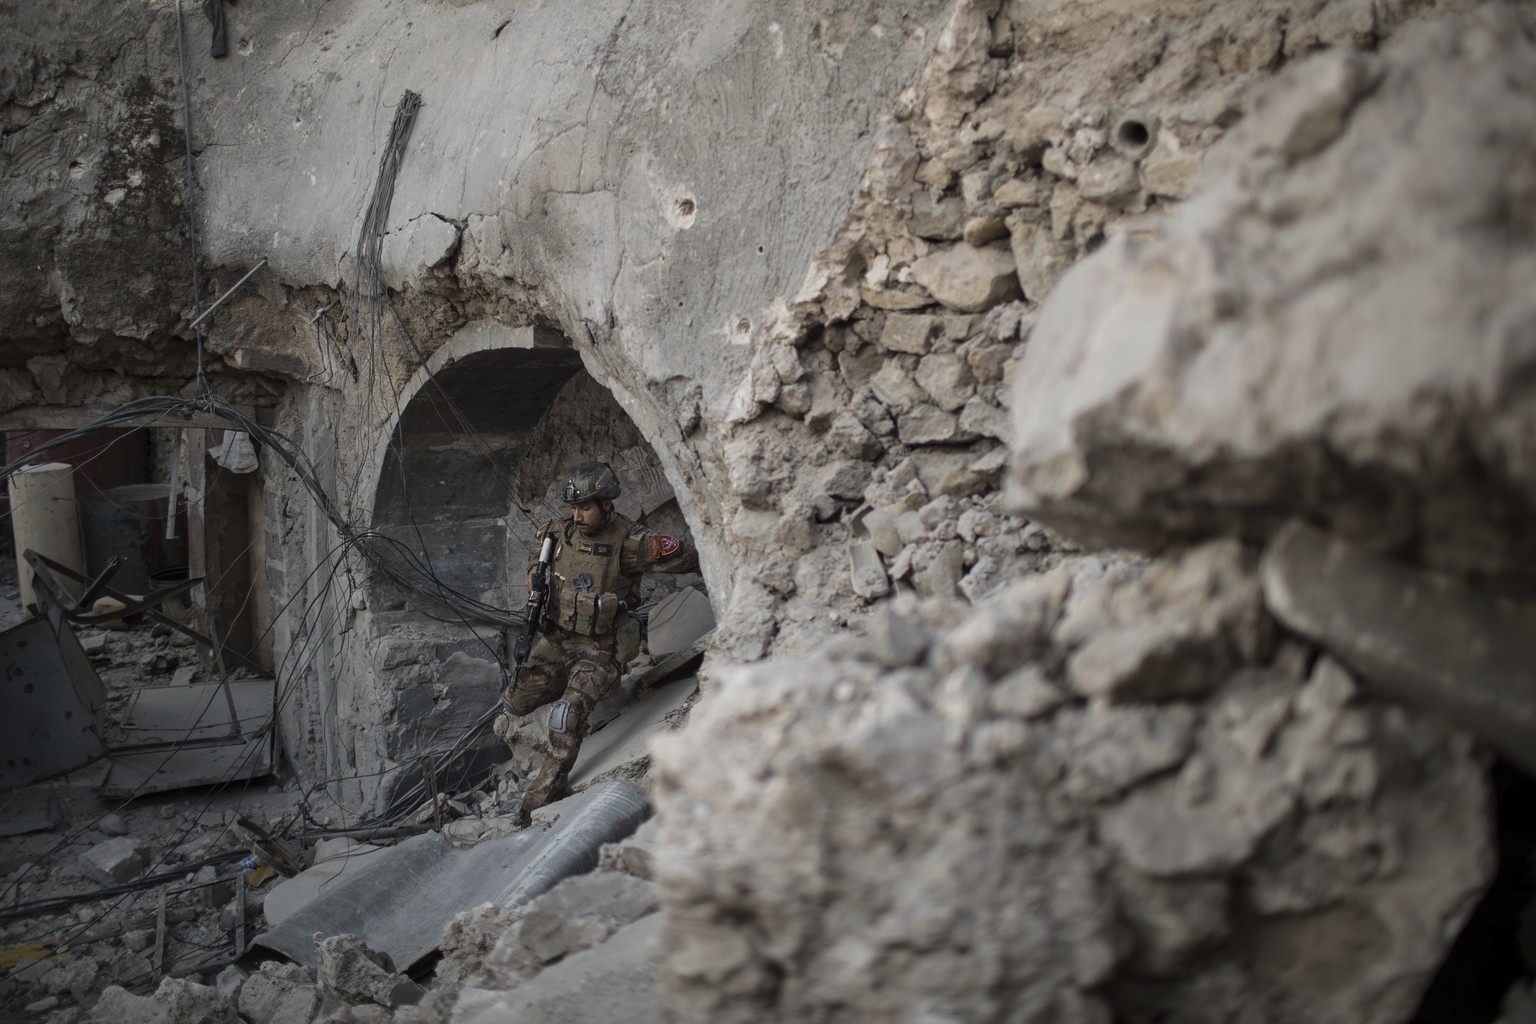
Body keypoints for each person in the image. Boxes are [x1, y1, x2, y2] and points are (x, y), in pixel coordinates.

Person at [497, 460, 699, 817]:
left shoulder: (632, 542)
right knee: (515, 702)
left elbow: (688, 557)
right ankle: (588, 698)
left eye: (585, 507)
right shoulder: (558, 532)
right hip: (557, 639)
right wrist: (533, 572)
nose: (577, 516)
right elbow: (538, 551)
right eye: (574, 508)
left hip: (599, 649)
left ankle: (535, 806)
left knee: (565, 716)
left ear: (607, 504)